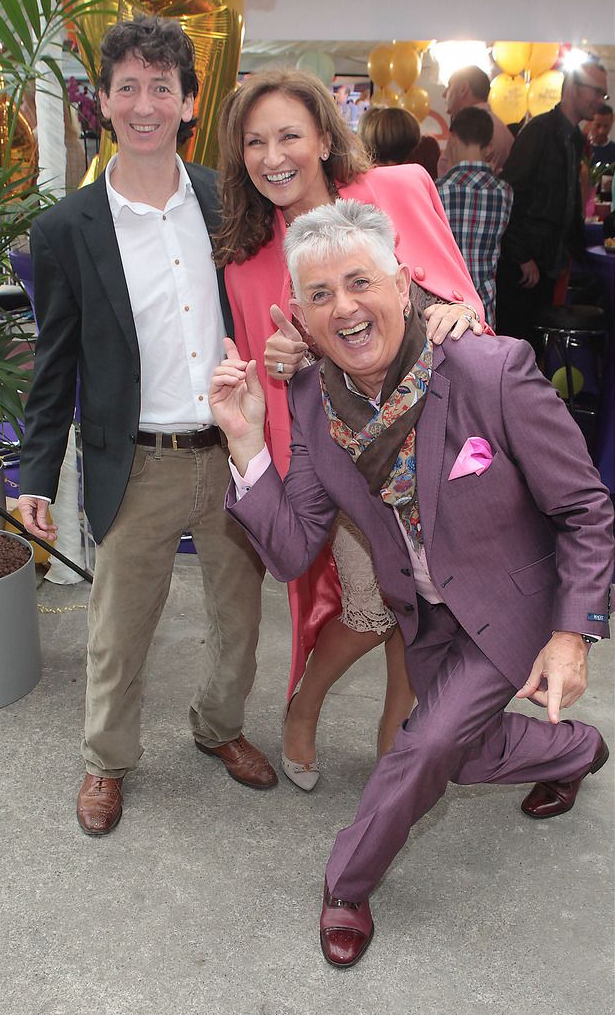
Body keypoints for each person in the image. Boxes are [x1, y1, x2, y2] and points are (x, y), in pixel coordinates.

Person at [210, 198, 613, 968]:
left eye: (359, 282)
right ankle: (573, 751)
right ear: (297, 313)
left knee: (423, 743)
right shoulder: (309, 395)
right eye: (320, 295)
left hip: (514, 601)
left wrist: (572, 632)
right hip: (426, 612)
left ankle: (345, 884)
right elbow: (295, 549)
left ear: (401, 283)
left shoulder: (488, 370)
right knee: (464, 753)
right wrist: (243, 441)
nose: (345, 308)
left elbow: (585, 509)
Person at [18, 16, 276, 838]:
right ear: (100, 102)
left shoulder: (225, 201)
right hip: (137, 462)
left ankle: (219, 725)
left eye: (160, 86)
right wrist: (31, 477)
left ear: (188, 101)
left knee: (239, 615)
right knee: (119, 630)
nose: (142, 104)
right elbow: (54, 365)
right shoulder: (68, 230)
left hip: (231, 451)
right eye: (126, 86)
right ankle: (106, 761)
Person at [215, 68, 489, 788]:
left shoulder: (398, 189)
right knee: (374, 611)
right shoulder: (246, 262)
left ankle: (395, 760)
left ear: (323, 139)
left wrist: (462, 307)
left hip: (431, 451)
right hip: (339, 467)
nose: (273, 156)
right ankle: (304, 706)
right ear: (238, 155)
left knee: (420, 616)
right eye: (255, 142)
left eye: (288, 136)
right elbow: (260, 389)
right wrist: (281, 363)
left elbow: (453, 286)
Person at [496, 60, 609, 356]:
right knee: (517, 354)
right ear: (572, 88)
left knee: (533, 355)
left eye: (603, 94)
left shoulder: (572, 137)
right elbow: (509, 193)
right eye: (596, 91)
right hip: (525, 267)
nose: (600, 100)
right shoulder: (540, 130)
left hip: (545, 264)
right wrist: (521, 255)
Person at [436, 107, 513, 327]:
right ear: (489, 147)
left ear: (452, 139)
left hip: (444, 305)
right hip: (484, 305)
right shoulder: (504, 192)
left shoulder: (437, 190)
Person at [438, 65, 513, 177]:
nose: (444, 94)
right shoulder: (503, 129)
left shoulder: (465, 128)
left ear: (463, 89)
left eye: (449, 85)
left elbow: (453, 181)